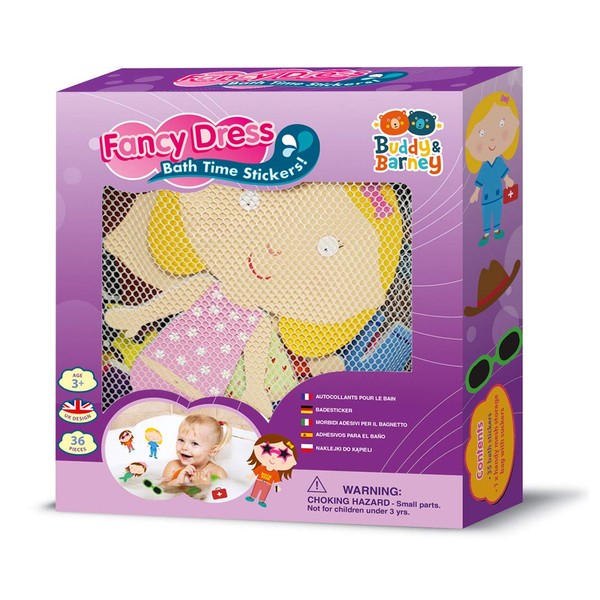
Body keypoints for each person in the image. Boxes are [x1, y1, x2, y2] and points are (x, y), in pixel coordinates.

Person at [104, 183, 403, 416]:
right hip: (163, 362)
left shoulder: (259, 322)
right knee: (151, 406)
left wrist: (255, 390)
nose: (274, 249)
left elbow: (255, 356)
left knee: (192, 419)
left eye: (326, 248)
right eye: (250, 200)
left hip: (206, 385)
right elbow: (171, 302)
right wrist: (138, 315)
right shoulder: (205, 286)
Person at [466, 92, 520, 246]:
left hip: (497, 194)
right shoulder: (484, 167)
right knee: (486, 214)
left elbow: (504, 174)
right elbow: (479, 181)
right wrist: (475, 193)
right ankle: (485, 234)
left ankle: (496, 230)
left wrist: (508, 180)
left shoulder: (499, 161)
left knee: (497, 212)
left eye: (501, 124)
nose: (491, 138)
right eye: (482, 133)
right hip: (486, 197)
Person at [160, 415, 231, 497]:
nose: (184, 447)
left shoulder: (218, 473)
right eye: (181, 440)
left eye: (194, 443)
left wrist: (204, 486)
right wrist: (176, 482)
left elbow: (223, 498)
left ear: (213, 451)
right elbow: (162, 490)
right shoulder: (173, 467)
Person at [245, 434, 298, 508]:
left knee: (264, 493)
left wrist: (276, 488)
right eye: (271, 455)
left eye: (278, 457)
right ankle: (252, 497)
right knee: (256, 489)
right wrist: (250, 476)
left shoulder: (275, 473)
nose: (273, 458)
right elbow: (255, 472)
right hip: (259, 481)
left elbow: (276, 481)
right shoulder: (261, 468)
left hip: (267, 484)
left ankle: (261, 501)